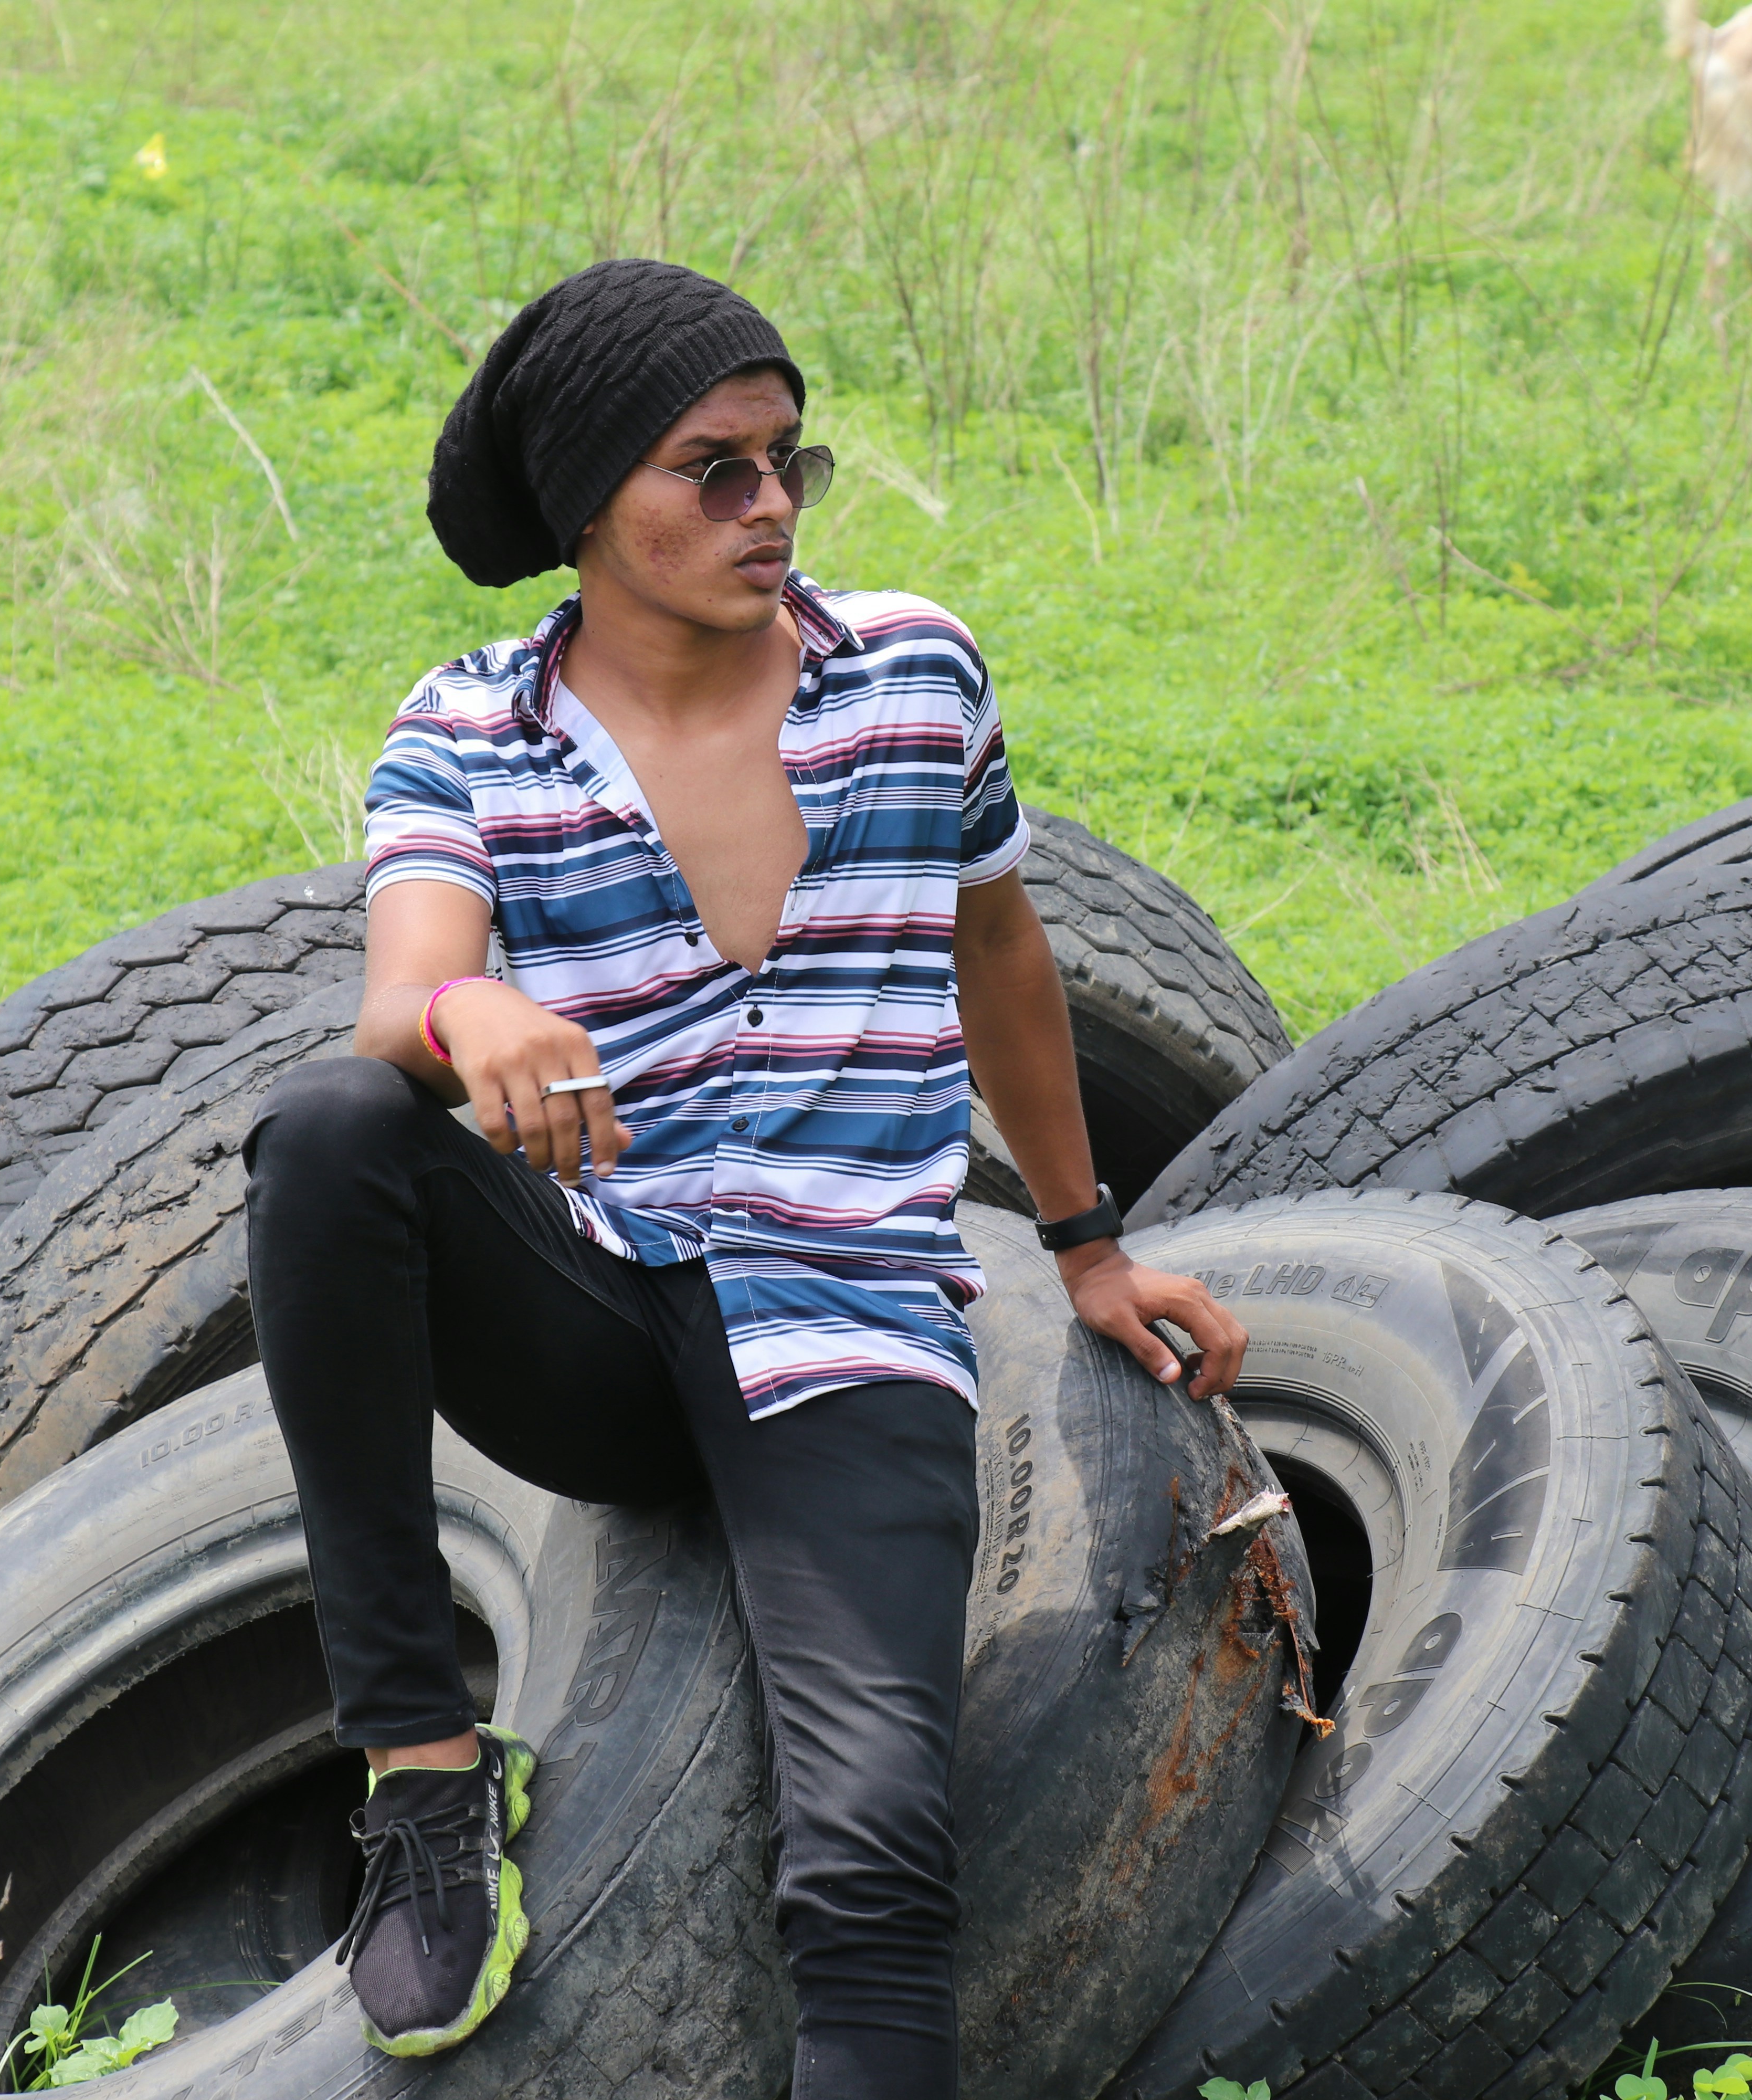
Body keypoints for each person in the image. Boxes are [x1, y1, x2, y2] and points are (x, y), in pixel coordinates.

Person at [241, 257, 1250, 2099]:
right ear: (585, 507)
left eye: (792, 460)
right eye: (712, 468)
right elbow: (400, 997)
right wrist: (473, 1006)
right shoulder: (473, 726)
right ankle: (421, 1768)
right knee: (330, 1131)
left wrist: (1091, 1247)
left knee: (872, 1861)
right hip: (601, 1306)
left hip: (849, 1319)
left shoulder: (914, 673)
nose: (768, 504)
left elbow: (1000, 947)